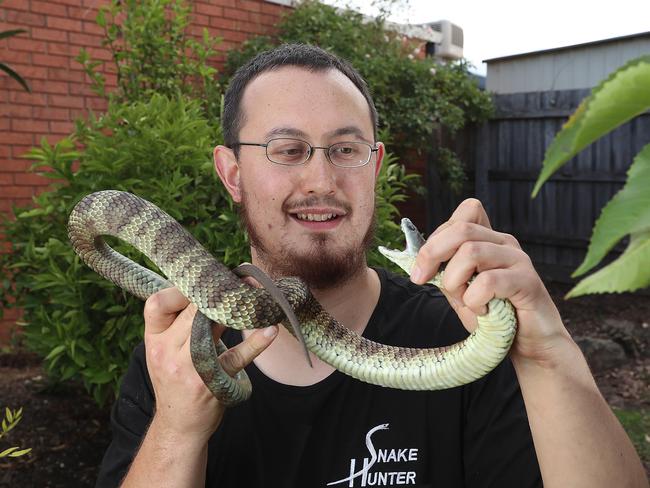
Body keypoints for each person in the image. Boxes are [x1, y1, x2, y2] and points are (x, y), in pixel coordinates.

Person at [96, 44, 647, 488]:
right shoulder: (172, 362)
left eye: (345, 149)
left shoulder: (462, 332)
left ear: (376, 164)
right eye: (287, 150)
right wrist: (176, 430)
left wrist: (549, 356)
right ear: (232, 172)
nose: (320, 180)